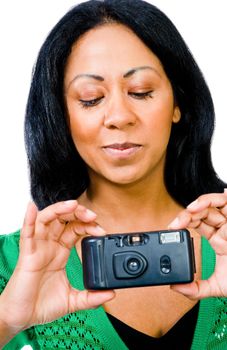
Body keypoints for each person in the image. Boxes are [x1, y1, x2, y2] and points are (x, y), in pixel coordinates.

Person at [0, 0, 227, 349]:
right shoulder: (16, 262)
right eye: (90, 99)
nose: (118, 116)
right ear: (62, 116)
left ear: (178, 103)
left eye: (140, 92)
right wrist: (7, 318)